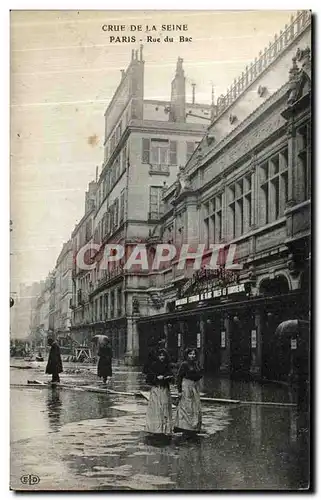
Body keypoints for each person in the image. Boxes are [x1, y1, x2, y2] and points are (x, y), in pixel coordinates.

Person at [174, 347, 203, 436]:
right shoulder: (184, 364)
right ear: (187, 355)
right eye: (190, 354)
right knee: (186, 407)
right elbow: (179, 377)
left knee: (195, 406)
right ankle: (184, 427)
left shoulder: (196, 364)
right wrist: (179, 391)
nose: (192, 356)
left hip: (194, 386)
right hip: (186, 386)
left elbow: (200, 374)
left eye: (194, 354)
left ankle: (193, 427)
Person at [144, 348, 174, 436]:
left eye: (163, 355)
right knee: (156, 407)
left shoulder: (167, 365)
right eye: (160, 355)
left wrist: (167, 377)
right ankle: (155, 427)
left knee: (165, 407)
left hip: (165, 389)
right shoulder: (153, 365)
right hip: (156, 389)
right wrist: (156, 378)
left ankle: (165, 428)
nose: (162, 357)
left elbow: (171, 377)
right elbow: (148, 378)